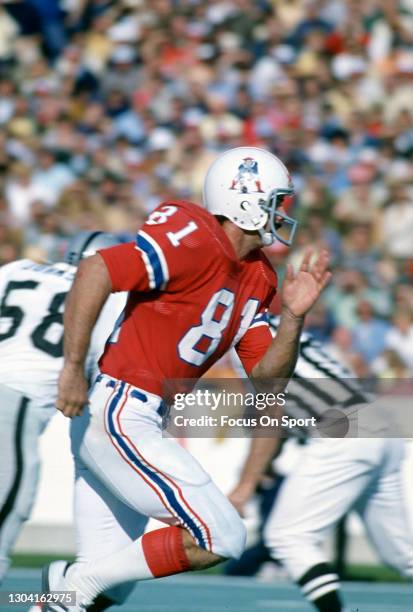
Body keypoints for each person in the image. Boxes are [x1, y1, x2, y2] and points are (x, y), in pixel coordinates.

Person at [44, 146, 331, 611]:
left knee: (107, 588)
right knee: (221, 535)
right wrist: (73, 366)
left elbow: (267, 381)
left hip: (132, 418)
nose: (282, 213)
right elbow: (98, 268)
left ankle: (64, 592)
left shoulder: (259, 276)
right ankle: (73, 583)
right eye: (276, 201)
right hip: (120, 410)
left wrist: (294, 318)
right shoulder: (192, 234)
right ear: (245, 200)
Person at [230, 314, 413, 612]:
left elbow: (271, 419)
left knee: (287, 536)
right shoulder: (276, 325)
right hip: (380, 425)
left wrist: (245, 485)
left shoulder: (250, 339)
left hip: (344, 429)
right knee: (403, 555)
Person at [0, 231, 144, 595]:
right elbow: (104, 371)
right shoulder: (111, 297)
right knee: (5, 521)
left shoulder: (17, 269)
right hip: (14, 402)